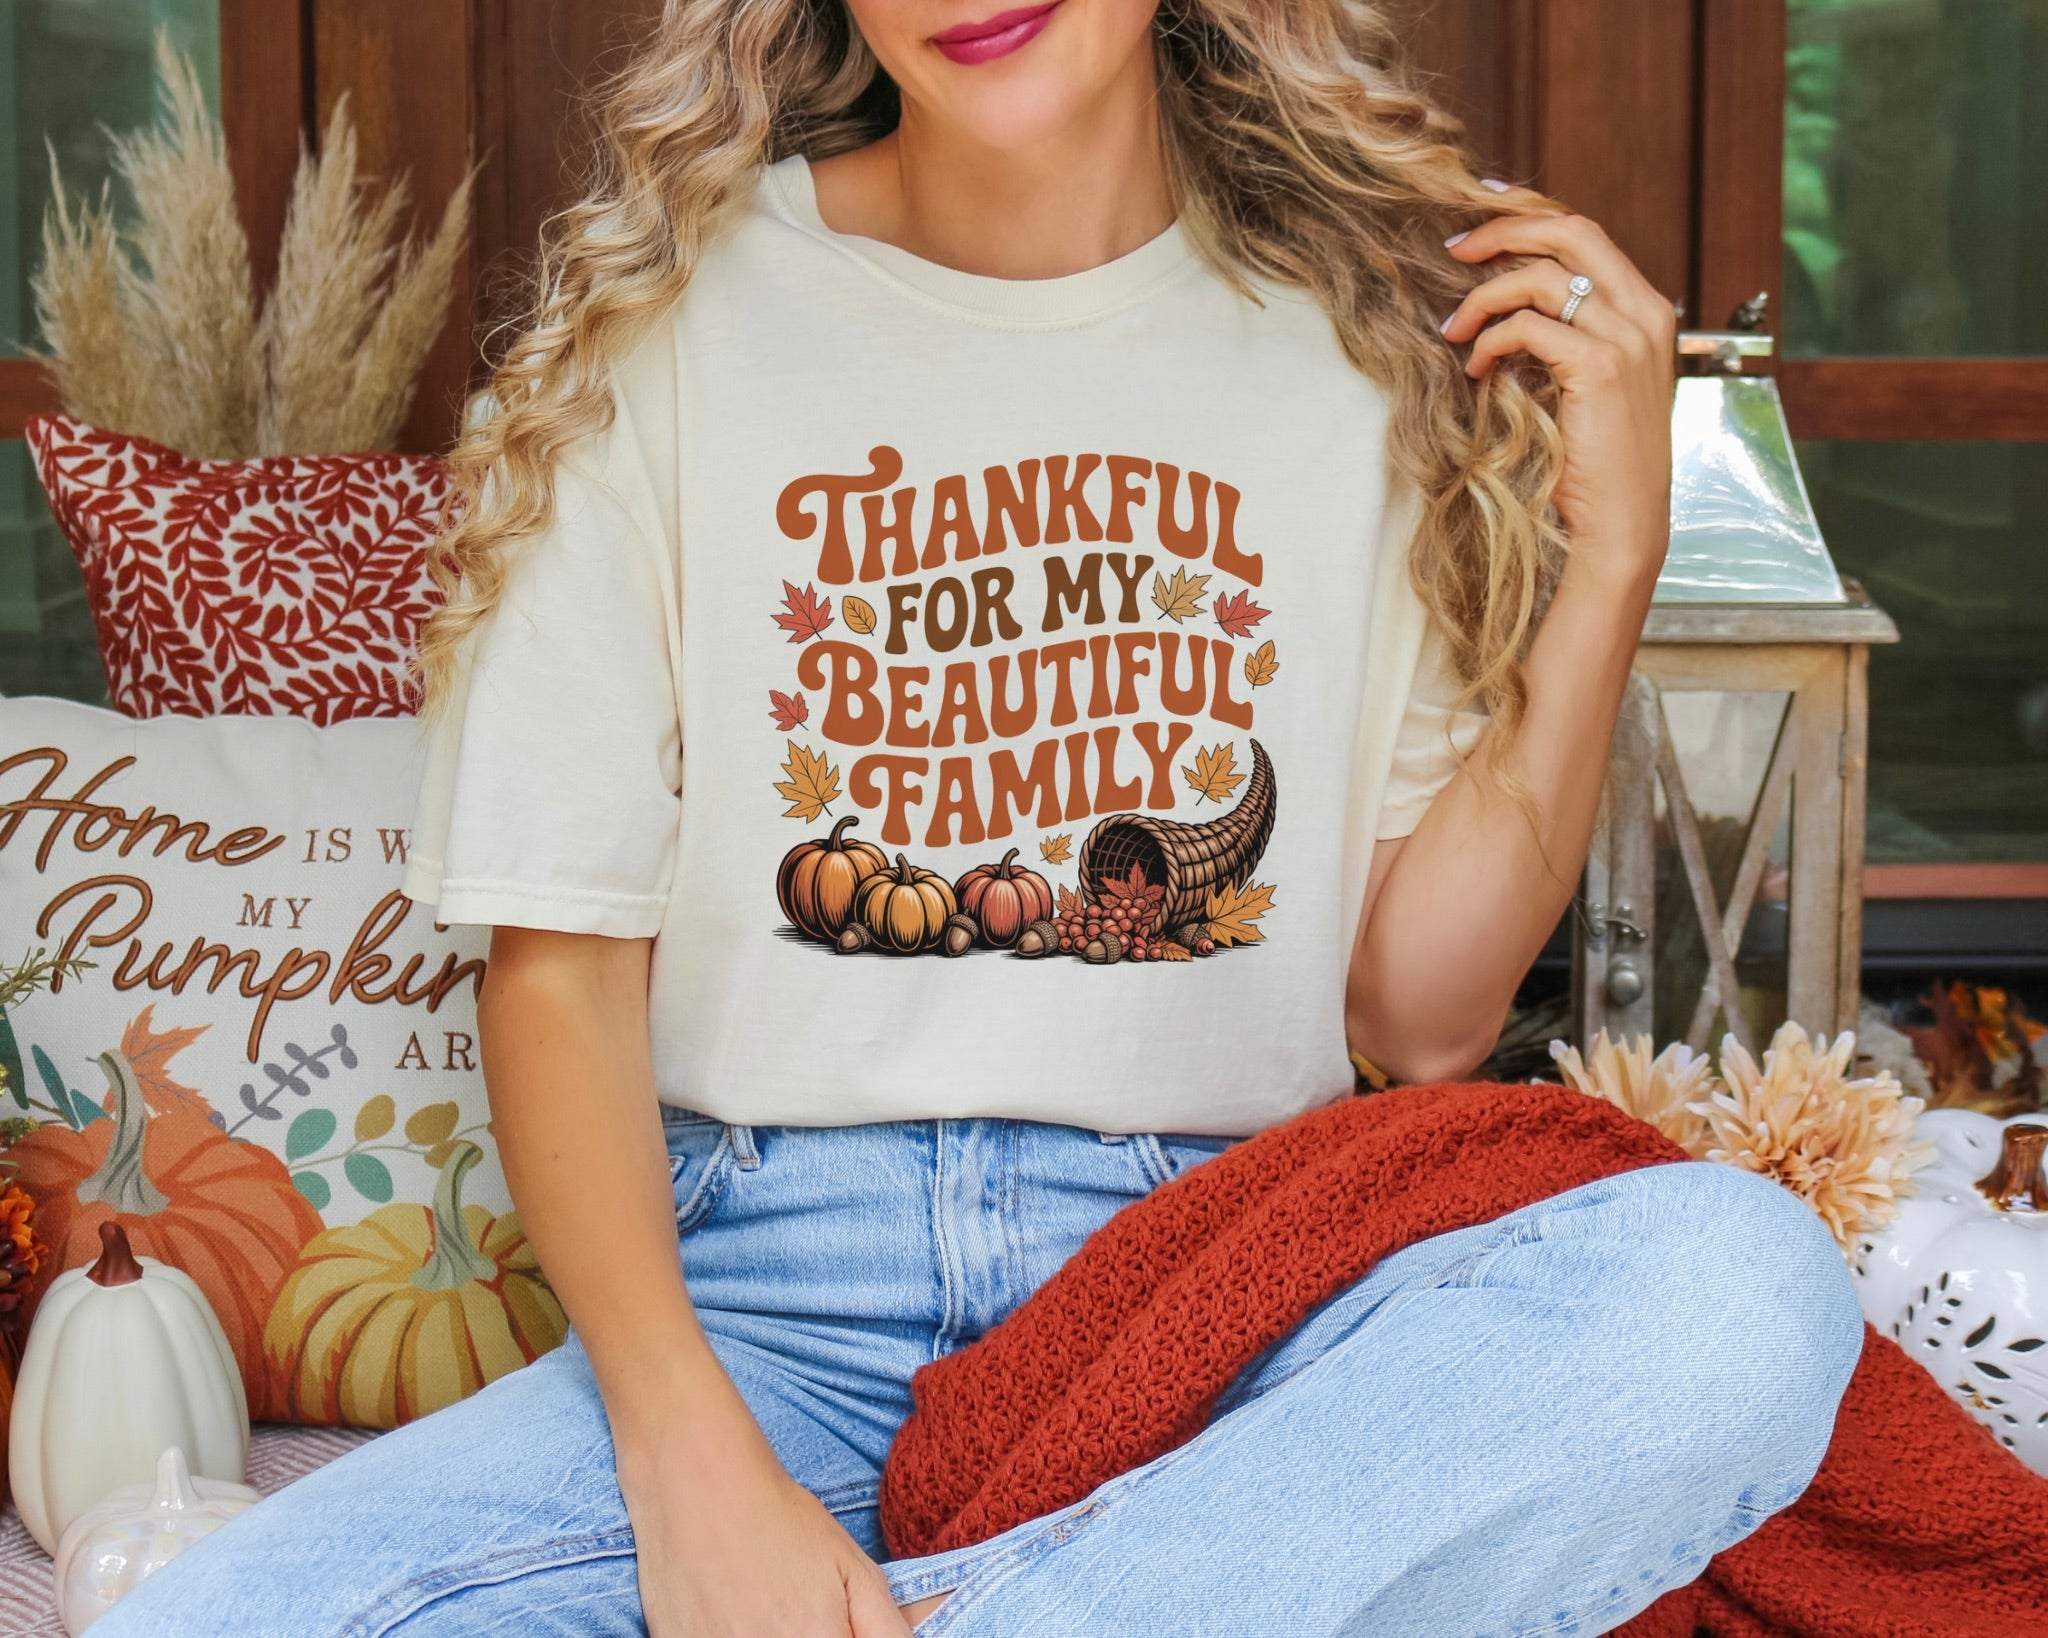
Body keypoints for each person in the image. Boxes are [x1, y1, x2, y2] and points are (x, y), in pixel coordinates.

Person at [100, 3, 1863, 1633]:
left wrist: (1613, 554)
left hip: (1221, 1291)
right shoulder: (661, 331)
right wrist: (694, 1461)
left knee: (1740, 1295)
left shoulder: (1356, 361)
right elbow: (558, 977)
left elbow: (1416, 1012)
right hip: (765, 1304)